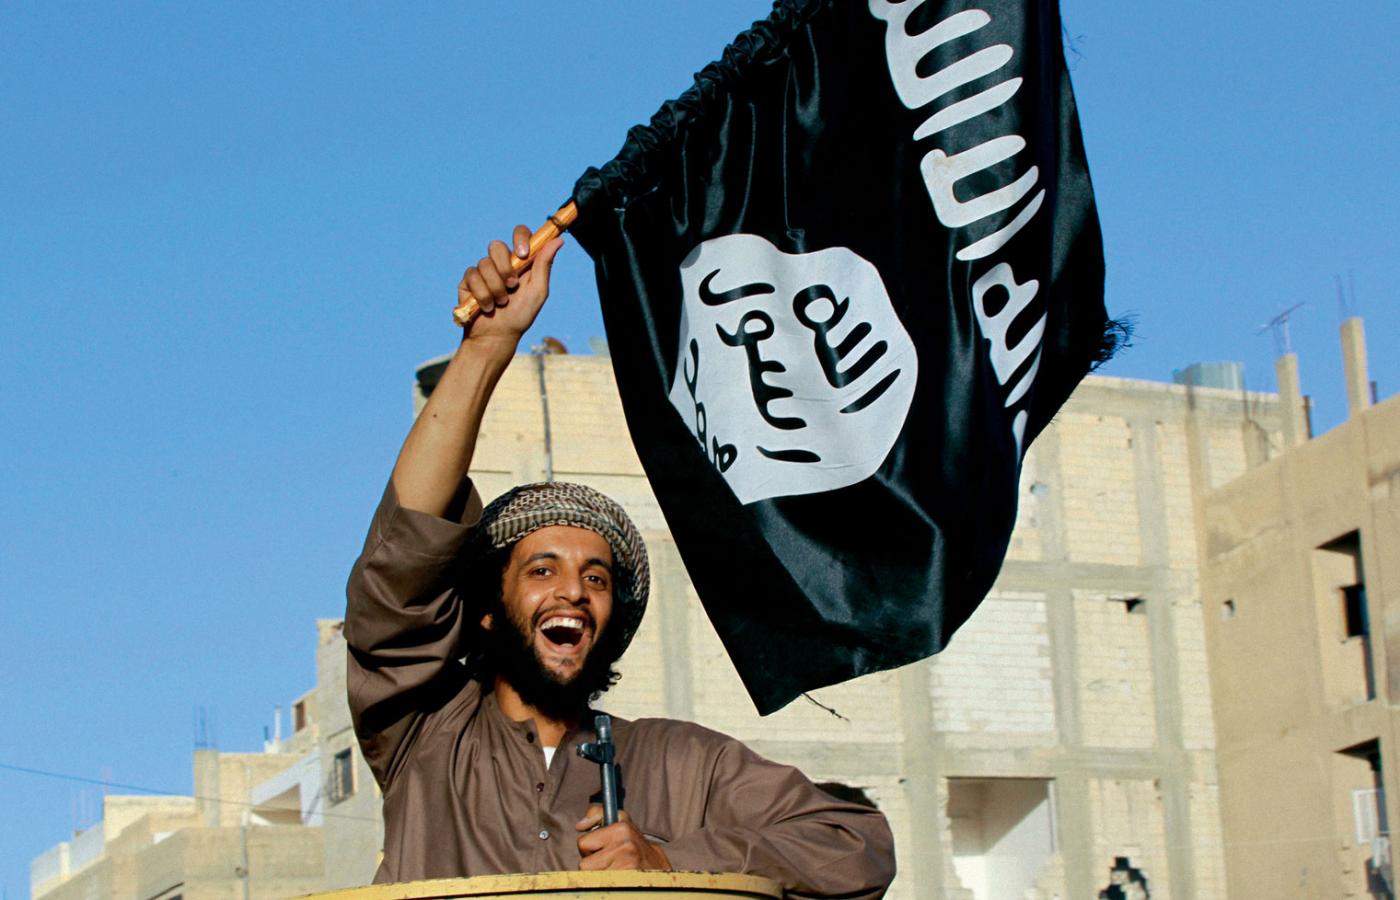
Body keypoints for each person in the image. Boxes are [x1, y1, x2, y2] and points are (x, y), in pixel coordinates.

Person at [343, 226, 896, 898]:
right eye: (542, 570)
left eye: (596, 578)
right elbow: (402, 560)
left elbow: (856, 848)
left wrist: (672, 859)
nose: (573, 592)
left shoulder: (678, 763)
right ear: (487, 610)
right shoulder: (428, 735)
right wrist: (486, 348)